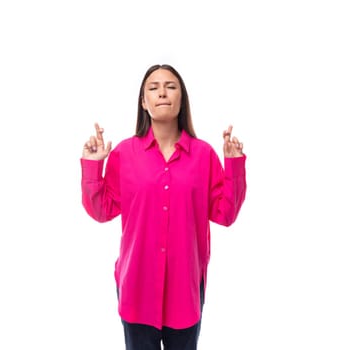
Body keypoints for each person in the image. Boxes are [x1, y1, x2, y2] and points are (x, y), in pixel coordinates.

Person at [80, 64, 247, 350]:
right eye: (153, 88)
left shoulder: (203, 155)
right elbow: (101, 211)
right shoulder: (124, 153)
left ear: (182, 100)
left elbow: (226, 214)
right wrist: (94, 166)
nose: (162, 93)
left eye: (170, 87)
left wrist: (233, 165)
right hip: (137, 288)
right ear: (143, 102)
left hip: (186, 290)